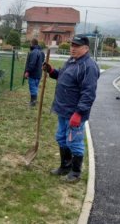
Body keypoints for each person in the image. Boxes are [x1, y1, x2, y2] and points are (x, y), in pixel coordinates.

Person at [43, 36, 100, 183]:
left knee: (74, 142)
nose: (73, 48)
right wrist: (52, 71)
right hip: (63, 109)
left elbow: (88, 94)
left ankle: (75, 172)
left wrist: (79, 113)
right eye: (72, 45)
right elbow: (62, 76)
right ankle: (65, 166)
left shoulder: (89, 66)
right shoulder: (71, 61)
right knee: (61, 138)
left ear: (86, 48)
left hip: (75, 113)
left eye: (77, 46)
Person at [24, 39, 45, 106]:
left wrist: (27, 71)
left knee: (32, 87)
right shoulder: (41, 52)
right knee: (35, 87)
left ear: (32, 44)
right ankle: (33, 101)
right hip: (39, 73)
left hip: (33, 73)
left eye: (30, 43)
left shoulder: (33, 52)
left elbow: (32, 63)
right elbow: (42, 61)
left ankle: (33, 102)